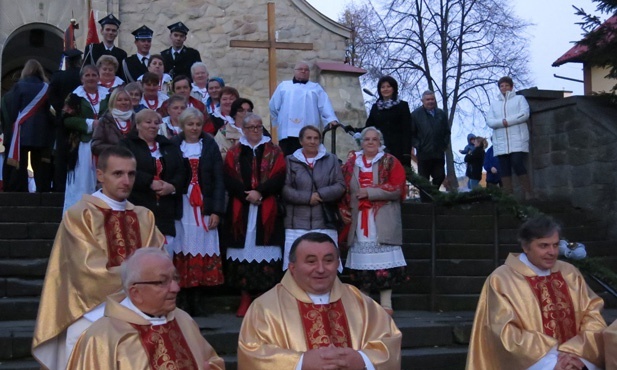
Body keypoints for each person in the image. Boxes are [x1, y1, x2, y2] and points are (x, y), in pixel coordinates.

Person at [32, 146, 165, 370]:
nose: (126, 180)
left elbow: (159, 264)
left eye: (131, 174)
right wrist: (142, 284)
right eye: (118, 173)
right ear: (100, 175)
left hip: (142, 311)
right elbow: (88, 272)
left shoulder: (144, 217)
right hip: (92, 312)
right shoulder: (81, 215)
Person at [238, 232, 402, 369]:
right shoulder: (266, 307)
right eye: (311, 261)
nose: (321, 269)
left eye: (329, 260)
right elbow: (252, 353)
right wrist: (299, 363)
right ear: (292, 268)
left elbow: (388, 342)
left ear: (338, 264)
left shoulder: (360, 302)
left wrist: (363, 359)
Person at [466, 214, 606, 370]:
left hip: (577, 363)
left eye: (555, 245)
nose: (552, 252)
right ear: (525, 247)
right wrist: (552, 363)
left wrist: (578, 355)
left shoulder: (569, 273)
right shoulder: (502, 280)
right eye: (544, 246)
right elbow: (503, 331)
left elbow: (592, 313)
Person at [66, 247, 225, 370]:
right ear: (136, 293)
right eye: (162, 282)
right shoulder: (102, 337)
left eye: (175, 278)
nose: (176, 288)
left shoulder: (183, 320)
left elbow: (212, 361)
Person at [223, 113, 286, 317]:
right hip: (241, 209)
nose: (255, 130)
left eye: (258, 127)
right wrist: (246, 195)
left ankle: (264, 299)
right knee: (241, 255)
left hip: (266, 207)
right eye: (251, 127)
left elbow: (279, 175)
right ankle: (245, 298)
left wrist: (260, 192)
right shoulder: (234, 152)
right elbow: (229, 177)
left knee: (267, 254)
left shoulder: (274, 151)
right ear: (243, 128)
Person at [340, 127, 408, 315]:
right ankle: (364, 304)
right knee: (363, 262)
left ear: (380, 142)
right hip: (359, 217)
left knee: (385, 262)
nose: (370, 142)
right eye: (366, 139)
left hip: (382, 217)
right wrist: (343, 208)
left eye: (374, 139)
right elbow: (344, 187)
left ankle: (386, 304)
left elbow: (396, 188)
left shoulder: (390, 161)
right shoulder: (352, 163)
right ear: (361, 142)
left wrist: (370, 192)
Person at [170, 108, 225, 313]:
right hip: (182, 203)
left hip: (205, 202)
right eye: (190, 124)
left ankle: (198, 297)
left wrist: (216, 211)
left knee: (203, 242)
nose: (194, 128)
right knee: (182, 244)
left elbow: (219, 179)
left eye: (197, 124)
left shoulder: (209, 145)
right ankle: (182, 296)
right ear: (182, 126)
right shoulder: (174, 145)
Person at [120, 109, 185, 256]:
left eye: (156, 123)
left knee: (165, 255)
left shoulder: (168, 145)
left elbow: (181, 171)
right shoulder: (127, 145)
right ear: (137, 125)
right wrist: (149, 182)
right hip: (138, 206)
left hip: (166, 210)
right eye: (148, 122)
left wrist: (172, 186)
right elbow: (126, 169)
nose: (153, 126)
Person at [282, 125, 345, 270]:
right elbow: (285, 189)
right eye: (309, 138)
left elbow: (340, 185)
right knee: (297, 266)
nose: (312, 141)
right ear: (301, 141)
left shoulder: (331, 159)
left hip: (324, 222)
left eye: (316, 138)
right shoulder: (290, 161)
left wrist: (320, 195)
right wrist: (307, 197)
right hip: (296, 223)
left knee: (325, 266)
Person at [63, 64, 111, 212]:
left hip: (104, 144)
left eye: (94, 75)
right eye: (87, 75)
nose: (91, 78)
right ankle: (79, 215)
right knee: (82, 182)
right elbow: (66, 119)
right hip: (83, 146)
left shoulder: (108, 95)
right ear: (81, 78)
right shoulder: (74, 97)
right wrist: (89, 124)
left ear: (98, 77)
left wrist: (104, 123)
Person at [2, 59, 53, 193]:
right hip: (41, 132)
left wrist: (14, 124)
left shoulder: (19, 86)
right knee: (39, 165)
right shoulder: (46, 87)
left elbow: (14, 109)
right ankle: (42, 190)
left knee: (21, 164)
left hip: (22, 130)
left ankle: (21, 189)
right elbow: (50, 111)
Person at [269, 61, 339, 156]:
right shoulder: (283, 86)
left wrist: (331, 119)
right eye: (300, 69)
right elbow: (273, 105)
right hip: (288, 132)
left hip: (310, 132)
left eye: (306, 70)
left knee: (309, 157)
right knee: (287, 159)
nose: (303, 71)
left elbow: (324, 104)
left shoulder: (316, 88)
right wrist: (279, 121)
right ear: (294, 71)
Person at [486, 76, 533, 199]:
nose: (504, 88)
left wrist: (508, 121)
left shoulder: (519, 99)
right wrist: (502, 122)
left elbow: (524, 114)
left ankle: (528, 192)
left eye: (506, 85)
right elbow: (490, 121)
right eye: (501, 86)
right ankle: (508, 195)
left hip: (517, 138)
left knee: (517, 163)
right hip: (501, 141)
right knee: (504, 168)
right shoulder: (495, 104)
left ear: (511, 87)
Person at [49, 49, 83, 192]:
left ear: (67, 63)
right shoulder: (82, 76)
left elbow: (51, 98)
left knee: (61, 156)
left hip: (63, 121)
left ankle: (60, 187)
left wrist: (63, 110)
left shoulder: (58, 77)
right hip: (81, 120)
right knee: (80, 155)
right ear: (79, 61)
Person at [411, 90, 450, 200]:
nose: (430, 101)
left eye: (432, 99)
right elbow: (411, 134)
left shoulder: (441, 114)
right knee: (423, 180)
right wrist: (419, 145)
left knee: (440, 176)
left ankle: (433, 194)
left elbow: (447, 131)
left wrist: (444, 144)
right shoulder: (415, 115)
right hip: (424, 153)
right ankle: (425, 203)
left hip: (438, 152)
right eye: (428, 99)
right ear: (422, 101)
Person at [365, 75, 412, 167]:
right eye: (382, 87)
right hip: (379, 149)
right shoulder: (376, 107)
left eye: (388, 86)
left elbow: (407, 130)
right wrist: (355, 130)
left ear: (394, 88)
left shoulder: (403, 106)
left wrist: (406, 153)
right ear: (379, 90)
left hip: (398, 150)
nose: (385, 89)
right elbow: (369, 127)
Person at [83, 14, 128, 81]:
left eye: (113, 30)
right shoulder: (92, 49)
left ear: (116, 33)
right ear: (101, 31)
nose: (110, 32)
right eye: (107, 29)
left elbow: (122, 75)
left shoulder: (122, 54)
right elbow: (85, 70)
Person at [91, 88, 134, 156]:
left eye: (126, 100)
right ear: (112, 102)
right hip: (112, 161)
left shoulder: (136, 119)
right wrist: (116, 149)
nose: (123, 102)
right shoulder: (104, 121)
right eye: (119, 100)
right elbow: (95, 146)